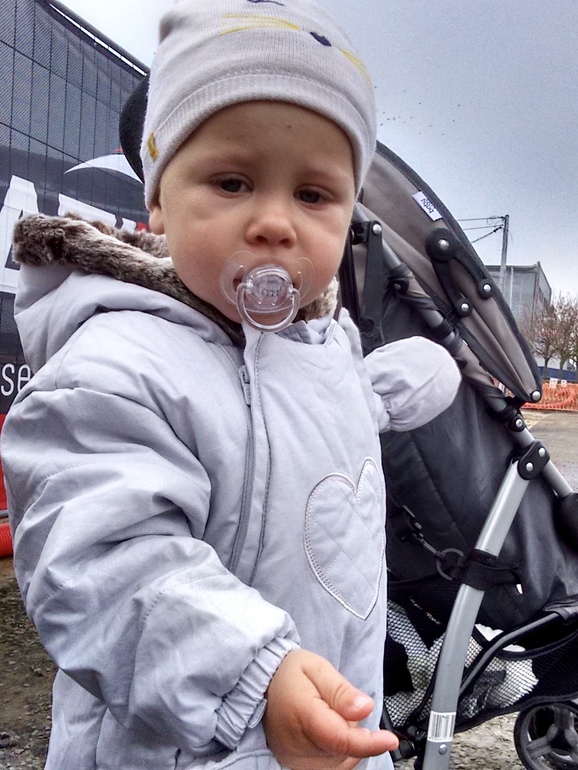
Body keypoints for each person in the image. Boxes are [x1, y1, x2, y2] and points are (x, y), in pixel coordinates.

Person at [2, 1, 461, 768]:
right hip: (190, 739)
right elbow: (105, 561)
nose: (275, 222)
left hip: (331, 732)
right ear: (158, 199)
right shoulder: (113, 371)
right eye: (233, 181)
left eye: (313, 195)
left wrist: (380, 391)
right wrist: (254, 673)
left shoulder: (322, 345)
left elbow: (305, 416)